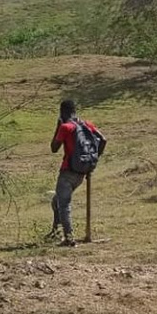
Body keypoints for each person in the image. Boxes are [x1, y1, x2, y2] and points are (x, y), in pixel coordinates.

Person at [49, 99, 106, 247]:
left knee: (63, 204)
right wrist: (92, 162)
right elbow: (103, 140)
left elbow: (54, 148)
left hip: (68, 171)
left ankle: (69, 238)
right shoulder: (86, 124)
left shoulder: (66, 127)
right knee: (57, 201)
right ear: (75, 111)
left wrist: (58, 126)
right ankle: (56, 231)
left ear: (62, 112)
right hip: (81, 172)